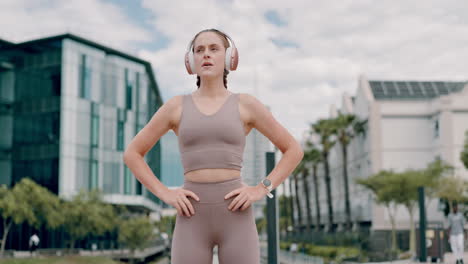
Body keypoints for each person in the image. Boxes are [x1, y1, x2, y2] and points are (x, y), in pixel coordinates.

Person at [123, 28, 304, 264]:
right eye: (199, 50)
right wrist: (165, 193)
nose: (206, 54)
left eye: (214, 48)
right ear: (191, 61)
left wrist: (261, 188)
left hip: (236, 216)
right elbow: (132, 154)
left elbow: (293, 150)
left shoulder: (246, 104)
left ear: (230, 58)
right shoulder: (175, 106)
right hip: (191, 217)